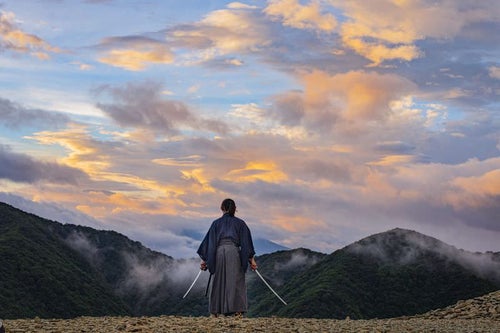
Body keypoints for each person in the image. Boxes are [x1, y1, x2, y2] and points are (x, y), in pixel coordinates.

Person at [197, 198, 258, 317]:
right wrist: (252, 260)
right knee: (236, 280)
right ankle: (237, 310)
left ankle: (216, 311)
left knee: (218, 280)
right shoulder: (240, 223)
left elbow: (209, 242)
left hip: (219, 252)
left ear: (222, 208)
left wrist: (204, 260)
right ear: (235, 209)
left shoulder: (216, 223)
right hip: (234, 252)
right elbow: (246, 243)